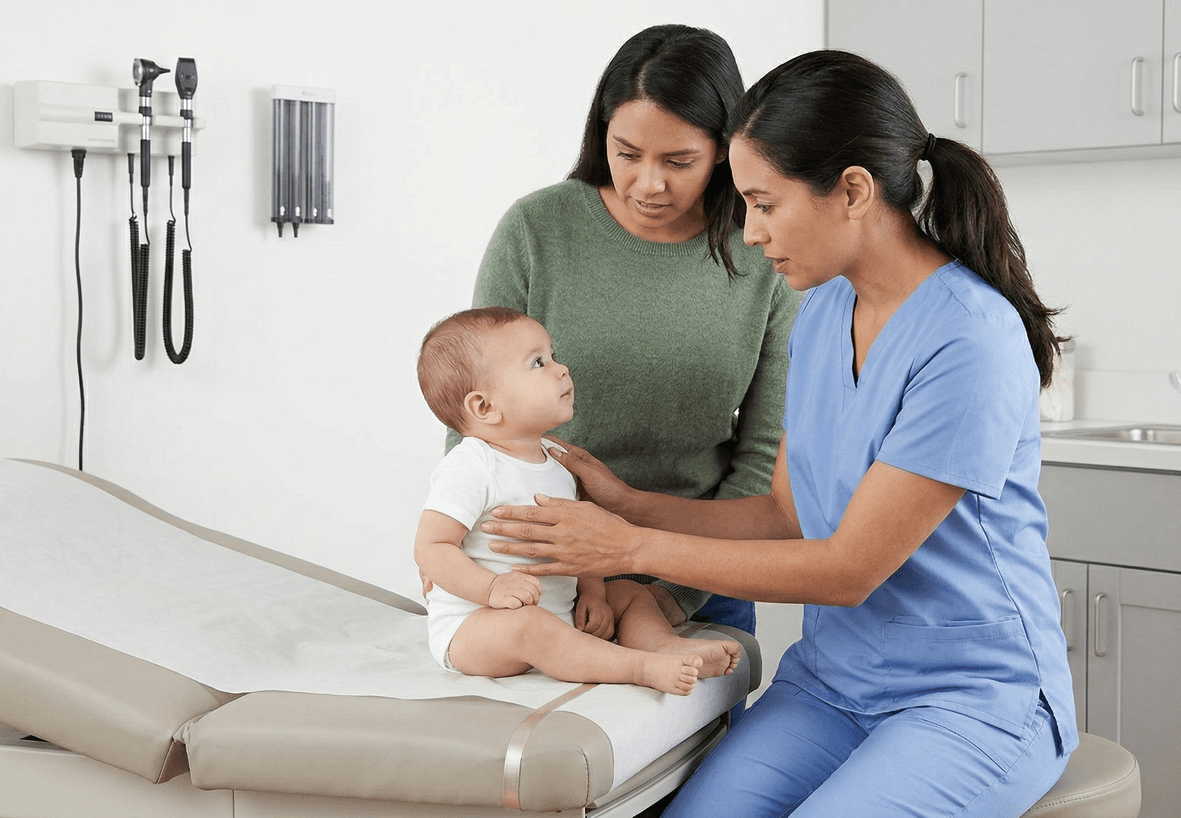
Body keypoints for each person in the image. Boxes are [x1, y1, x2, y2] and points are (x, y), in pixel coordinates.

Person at [480, 50, 1078, 817]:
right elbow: (783, 518)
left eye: (764, 203)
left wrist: (627, 549)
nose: (751, 233)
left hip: (972, 695)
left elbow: (848, 569)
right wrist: (627, 503)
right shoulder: (826, 312)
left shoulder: (969, 338)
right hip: (833, 682)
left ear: (853, 191)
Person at [462, 23, 799, 637]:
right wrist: (475, 558)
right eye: (626, 153)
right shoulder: (538, 230)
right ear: (602, 136)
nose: (649, 183)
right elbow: (478, 421)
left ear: (724, 148)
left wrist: (676, 593)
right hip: (546, 575)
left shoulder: (764, 248)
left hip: (701, 575)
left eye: (679, 161)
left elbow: (764, 456)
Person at [414, 306, 739, 695]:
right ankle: (638, 666)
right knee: (530, 628)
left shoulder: (558, 459)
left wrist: (594, 593)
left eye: (553, 356)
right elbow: (431, 547)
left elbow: (584, 543)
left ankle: (664, 645)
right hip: (477, 627)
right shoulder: (471, 465)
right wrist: (490, 588)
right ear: (485, 407)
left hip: (558, 614)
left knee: (630, 593)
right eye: (537, 363)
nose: (561, 369)